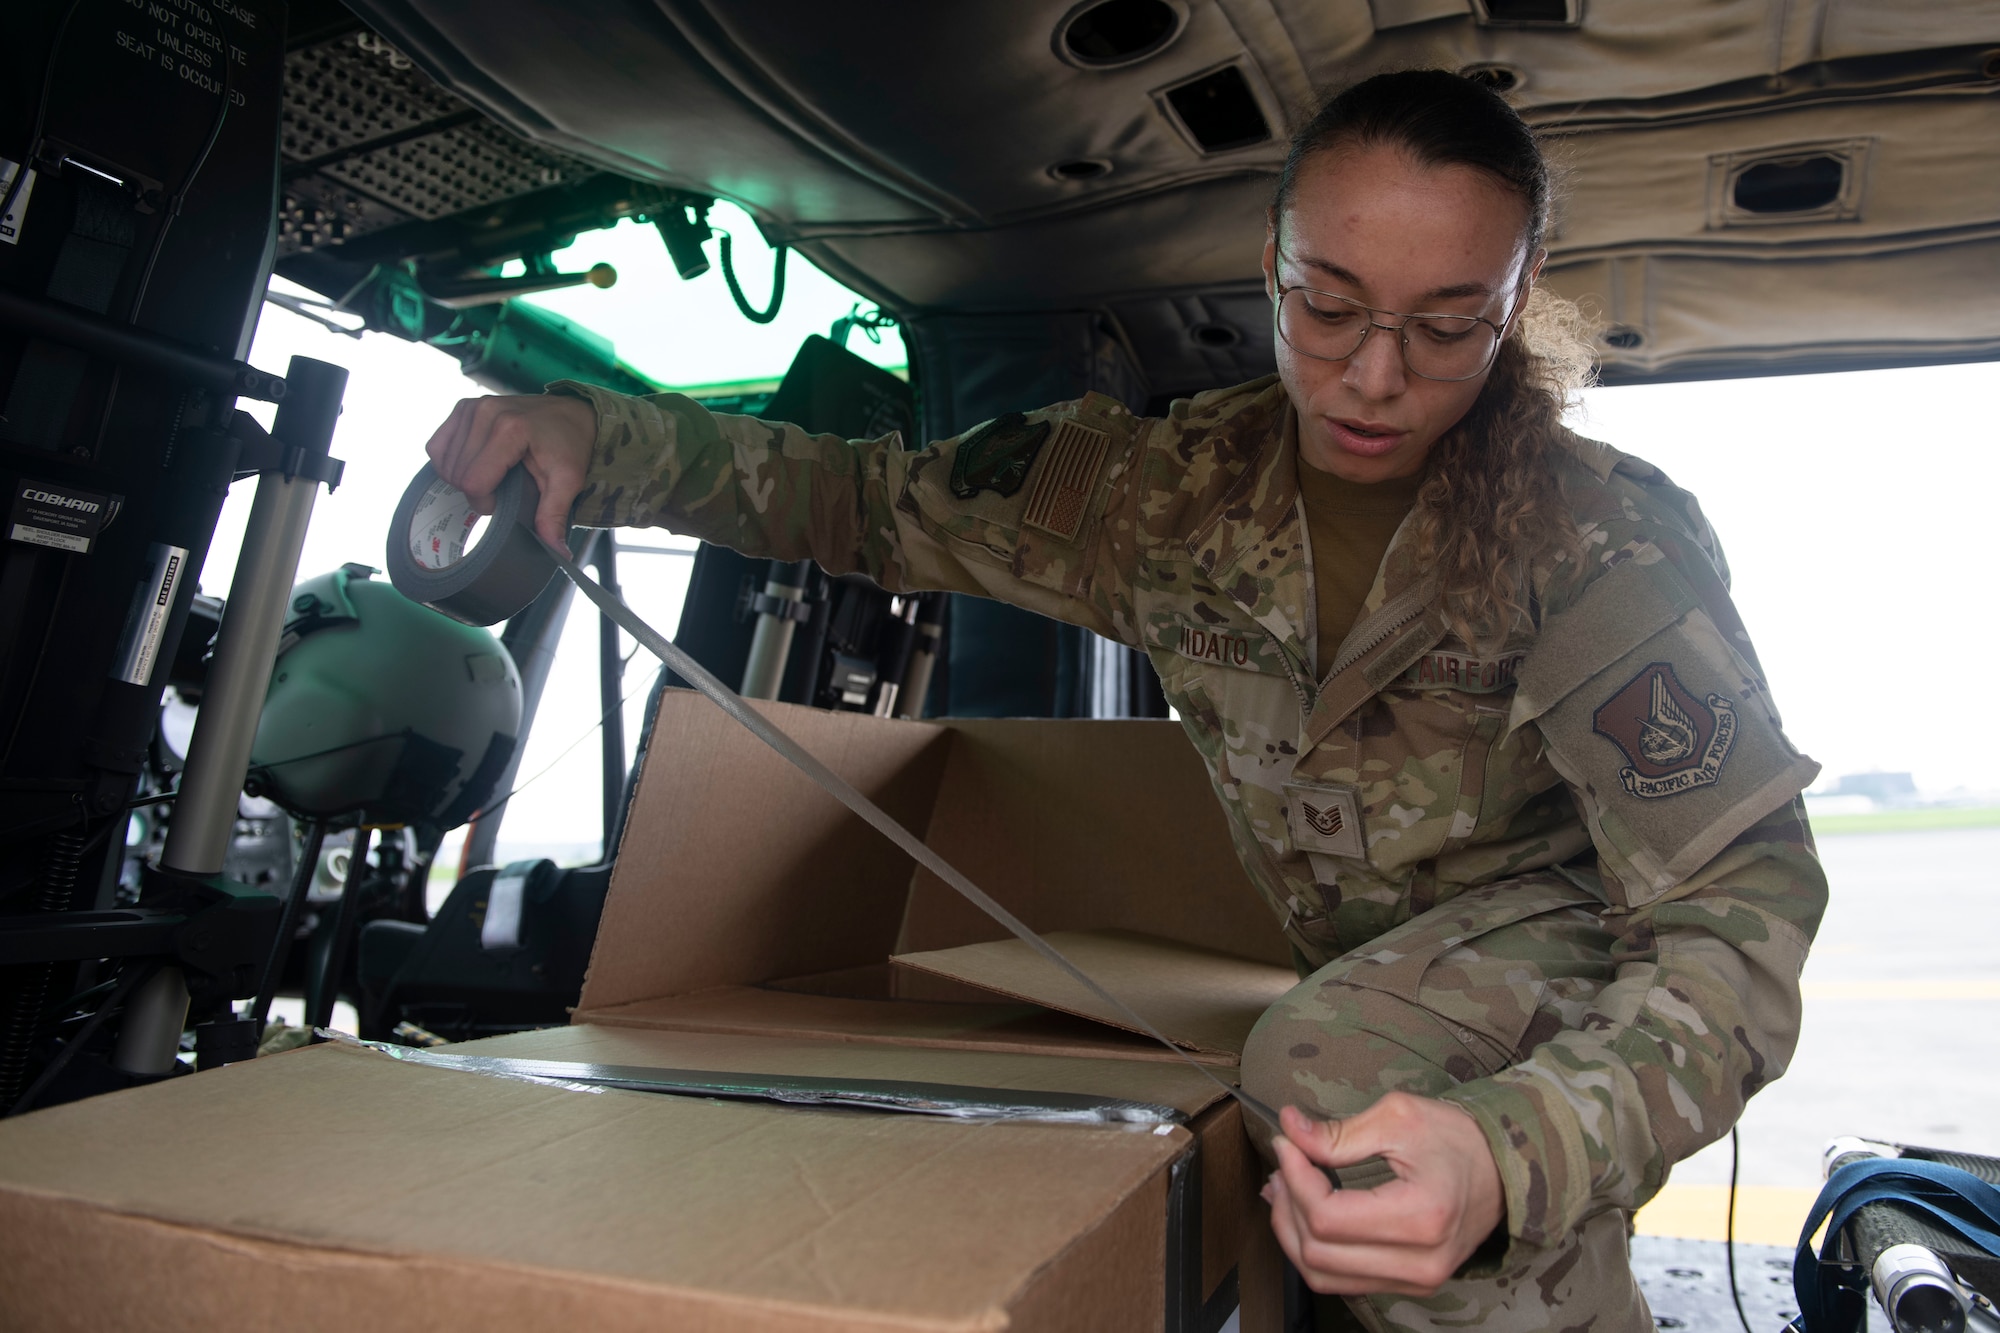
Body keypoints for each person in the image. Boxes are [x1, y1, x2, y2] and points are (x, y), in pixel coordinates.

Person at [425, 70, 1826, 1333]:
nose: (1376, 374)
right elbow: (863, 501)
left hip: (1563, 957)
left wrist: (1516, 1152)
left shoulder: (1600, 546)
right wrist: (596, 437)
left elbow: (1736, 924)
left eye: (1447, 327)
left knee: (1329, 1069)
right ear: (1270, 265)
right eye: (1327, 305)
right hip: (1359, 963)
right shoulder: (1161, 498)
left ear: (1514, 309)